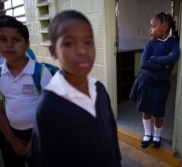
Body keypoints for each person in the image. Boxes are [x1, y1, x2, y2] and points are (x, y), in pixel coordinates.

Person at [31, 10, 122, 167]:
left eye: (88, 42)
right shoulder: (48, 109)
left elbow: (111, 133)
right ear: (53, 51)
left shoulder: (99, 89)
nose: (82, 50)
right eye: (69, 43)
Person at [0, 15, 52, 167]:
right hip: (9, 133)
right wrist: (12, 140)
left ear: (27, 44)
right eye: (2, 39)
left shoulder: (40, 73)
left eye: (16, 40)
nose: (9, 45)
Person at [129, 12, 180, 149]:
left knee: (158, 112)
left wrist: (154, 59)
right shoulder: (150, 45)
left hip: (161, 84)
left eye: (153, 26)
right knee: (145, 109)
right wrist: (163, 64)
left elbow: (173, 58)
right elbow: (143, 64)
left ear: (163, 26)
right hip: (146, 81)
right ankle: (147, 134)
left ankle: (157, 135)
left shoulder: (174, 42)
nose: (150, 29)